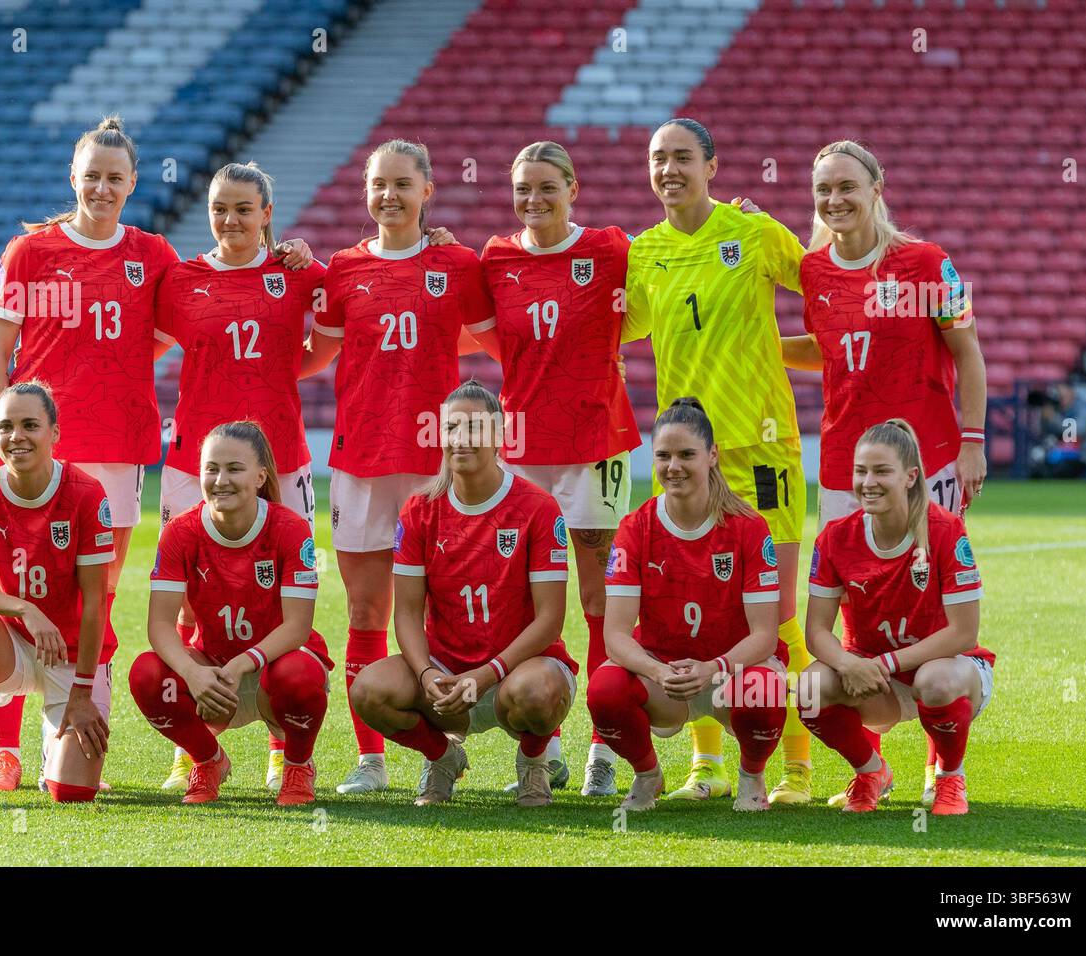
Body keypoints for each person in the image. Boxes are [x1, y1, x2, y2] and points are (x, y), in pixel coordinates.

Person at [783, 140, 988, 805]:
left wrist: (973, 442)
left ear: (876, 187)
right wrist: (759, 348)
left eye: (847, 186)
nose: (835, 200)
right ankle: (870, 763)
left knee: (931, 598)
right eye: (824, 191)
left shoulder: (926, 263)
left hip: (926, 461)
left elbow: (967, 349)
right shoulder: (814, 271)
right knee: (853, 606)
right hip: (844, 463)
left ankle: (942, 761)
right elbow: (830, 349)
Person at [0, 115, 177, 791]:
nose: (101, 186)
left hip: (117, 452)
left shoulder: (152, 255)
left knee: (97, 596)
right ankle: (4, 752)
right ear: (73, 175)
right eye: (91, 174)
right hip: (31, 456)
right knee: (9, 596)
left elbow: (199, 311)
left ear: (132, 183)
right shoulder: (29, 253)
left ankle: (70, 717)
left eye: (114, 177)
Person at [623, 118, 814, 805]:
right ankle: (706, 763)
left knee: (779, 608)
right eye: (657, 159)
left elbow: (826, 284)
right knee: (688, 607)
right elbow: (606, 328)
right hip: (684, 455)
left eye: (681, 157)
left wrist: (780, 345)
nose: (668, 169)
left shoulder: (754, 233)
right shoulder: (642, 253)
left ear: (712, 164)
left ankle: (795, 766)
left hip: (762, 447)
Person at [301, 139, 498, 794]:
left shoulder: (456, 265)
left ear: (427, 190)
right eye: (377, 185)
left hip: (433, 469)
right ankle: (374, 759)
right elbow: (311, 358)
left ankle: (453, 748)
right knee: (364, 613)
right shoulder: (342, 270)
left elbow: (499, 338)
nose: (388, 196)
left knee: (437, 611)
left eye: (401, 184)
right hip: (359, 460)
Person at [152, 161, 319, 792]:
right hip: (192, 460)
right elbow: (145, 347)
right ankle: (199, 744)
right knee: (195, 596)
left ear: (267, 214)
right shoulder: (184, 279)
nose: (230, 220)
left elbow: (327, 338)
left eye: (244, 208)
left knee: (284, 592)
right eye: (220, 208)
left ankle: (283, 741)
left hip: (282, 457)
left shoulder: (295, 274)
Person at [479, 141, 640, 795]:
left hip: (597, 443)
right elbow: (466, 317)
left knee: (601, 599)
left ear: (573, 188)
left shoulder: (609, 248)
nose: (534, 198)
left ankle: (604, 746)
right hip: (521, 451)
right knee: (524, 603)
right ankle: (537, 748)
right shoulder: (496, 258)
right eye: (522, 188)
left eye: (547, 186)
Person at [348, 381, 576, 806]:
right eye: (452, 427)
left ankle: (533, 763)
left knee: (537, 694)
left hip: (516, 672)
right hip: (446, 673)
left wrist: (487, 673)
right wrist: (425, 674)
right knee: (369, 690)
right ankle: (442, 757)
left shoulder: (538, 508)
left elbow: (550, 620)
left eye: (475, 427)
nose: (461, 438)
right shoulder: (419, 510)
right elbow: (407, 614)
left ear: (499, 436)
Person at [591, 398, 786, 811]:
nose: (672, 466)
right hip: (664, 675)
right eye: (663, 455)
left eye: (686, 455)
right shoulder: (635, 528)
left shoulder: (749, 527)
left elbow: (766, 635)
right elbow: (615, 635)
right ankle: (647, 776)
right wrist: (658, 671)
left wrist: (714, 668)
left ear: (712, 456)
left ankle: (752, 775)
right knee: (605, 690)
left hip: (730, 673)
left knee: (766, 688)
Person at [0, 382, 114, 806]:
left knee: (71, 793)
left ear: (55, 433)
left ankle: (54, 749)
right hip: (10, 643)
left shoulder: (86, 493)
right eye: (6, 426)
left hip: (69, 651)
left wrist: (83, 694)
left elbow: (95, 605)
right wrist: (25, 609)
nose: (17, 437)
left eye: (31, 425)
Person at [129, 421, 332, 805]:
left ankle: (297, 766)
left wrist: (242, 663)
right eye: (211, 469)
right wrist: (193, 672)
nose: (221, 480)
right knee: (146, 674)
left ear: (260, 477)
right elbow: (159, 625)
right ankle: (207, 761)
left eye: (234, 469)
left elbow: (298, 626)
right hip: (212, 675)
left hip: (273, 668)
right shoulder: (179, 532)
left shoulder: (291, 528)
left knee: (299, 675)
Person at [802, 419, 993, 815]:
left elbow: (963, 632)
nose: (867, 482)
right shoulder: (835, 538)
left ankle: (949, 777)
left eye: (881, 471)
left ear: (910, 477)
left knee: (935, 681)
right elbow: (817, 631)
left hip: (949, 671)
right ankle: (871, 772)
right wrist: (846, 662)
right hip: (876, 681)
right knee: (809, 687)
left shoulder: (945, 529)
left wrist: (885, 662)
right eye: (860, 470)